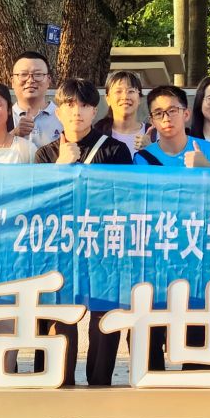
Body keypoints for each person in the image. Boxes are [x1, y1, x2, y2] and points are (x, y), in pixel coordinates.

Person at [34, 78, 133, 385]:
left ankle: (100, 384)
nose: (76, 111)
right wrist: (61, 167)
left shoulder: (116, 151)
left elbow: (122, 201)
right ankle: (59, 381)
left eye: (84, 105)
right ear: (58, 112)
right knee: (60, 317)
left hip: (103, 245)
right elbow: (40, 204)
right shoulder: (45, 155)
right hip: (60, 248)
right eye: (69, 105)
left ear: (94, 111)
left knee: (104, 318)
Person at [134, 85, 210, 167]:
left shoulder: (209, 150)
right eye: (158, 113)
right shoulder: (143, 158)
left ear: (186, 114)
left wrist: (206, 168)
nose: (166, 118)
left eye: (172, 111)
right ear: (152, 121)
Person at [10, 50, 61, 146]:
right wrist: (14, 134)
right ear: (12, 81)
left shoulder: (64, 117)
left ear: (48, 80)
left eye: (38, 74)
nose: (30, 80)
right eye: (23, 74)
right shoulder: (2, 116)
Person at [98, 71, 149, 154]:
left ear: (139, 98)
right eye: (118, 91)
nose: (125, 97)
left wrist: (153, 149)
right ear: (108, 99)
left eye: (131, 91)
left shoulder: (153, 135)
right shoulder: (98, 135)